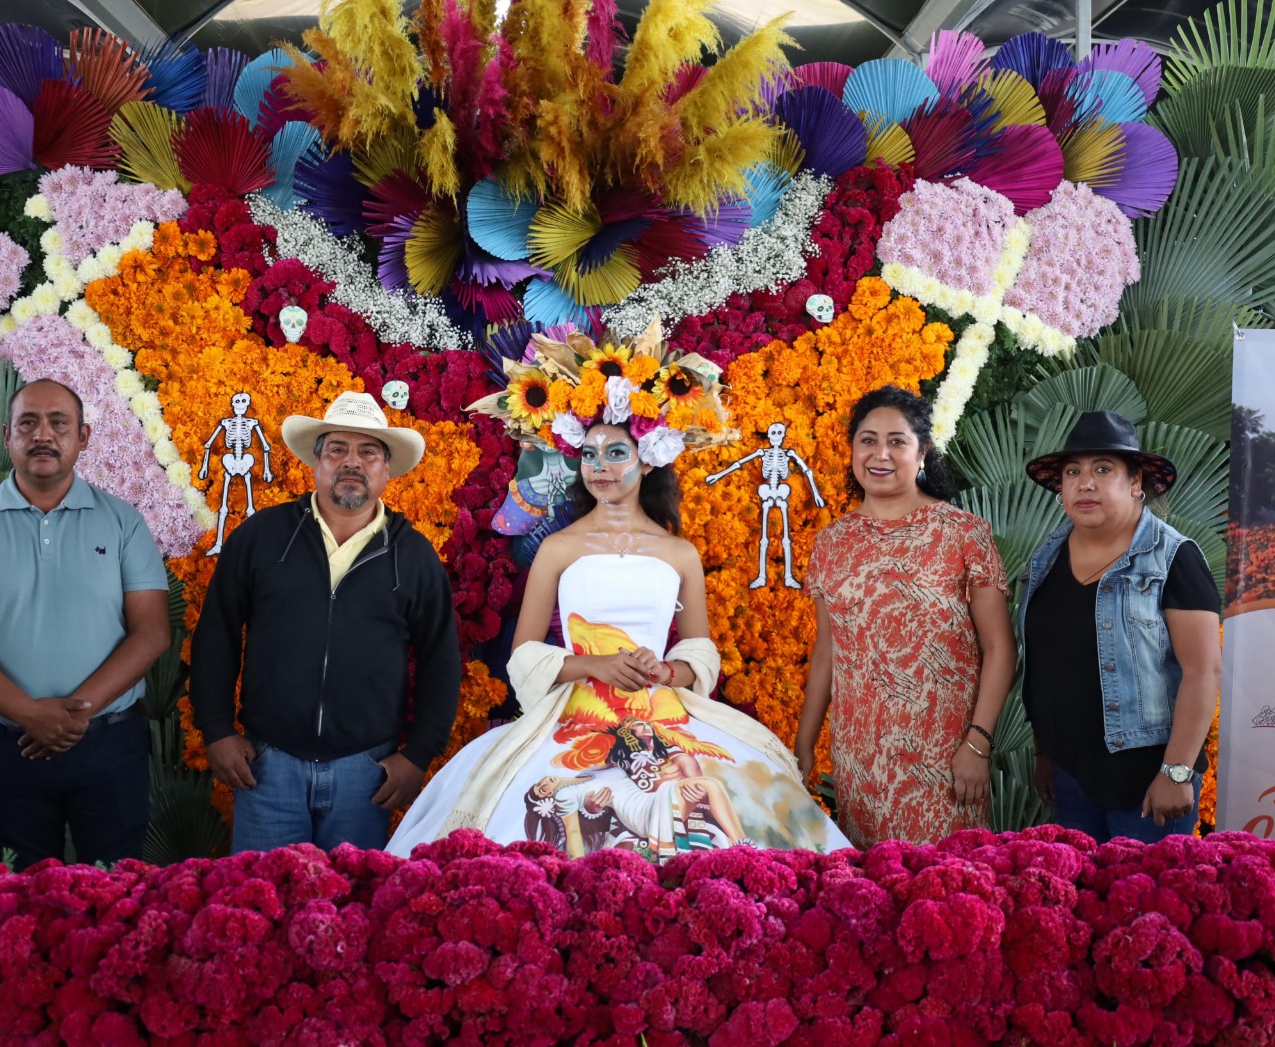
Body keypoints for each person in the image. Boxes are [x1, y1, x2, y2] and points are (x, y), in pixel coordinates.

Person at [390, 325, 849, 859]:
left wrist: (666, 673)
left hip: (666, 715)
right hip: (579, 712)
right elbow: (525, 654)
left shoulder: (679, 553)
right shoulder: (560, 548)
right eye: (589, 455)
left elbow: (697, 652)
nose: (599, 467)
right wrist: (594, 668)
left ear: (648, 458)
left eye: (615, 453)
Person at [189, 390, 461, 852]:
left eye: (368, 451)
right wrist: (216, 729)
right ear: (315, 463)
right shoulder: (262, 537)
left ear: (386, 470)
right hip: (268, 765)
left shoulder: (413, 556)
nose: (351, 462)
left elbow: (440, 659)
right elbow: (217, 633)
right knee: (260, 906)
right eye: (337, 449)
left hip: (366, 772)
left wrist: (417, 755)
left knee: (350, 916)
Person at [0, 378, 171, 870]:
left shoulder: (124, 522)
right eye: (28, 423)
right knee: (18, 900)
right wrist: (28, 714)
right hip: (7, 744)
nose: (43, 434)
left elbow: (152, 632)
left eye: (59, 423)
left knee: (116, 893)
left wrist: (74, 715)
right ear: (6, 436)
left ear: (84, 437)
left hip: (108, 744)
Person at [795, 385, 1016, 847]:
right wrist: (803, 749)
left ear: (923, 452)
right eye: (868, 440)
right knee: (871, 900)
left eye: (897, 441)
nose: (881, 453)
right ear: (853, 449)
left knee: (948, 897)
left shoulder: (963, 534)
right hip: (860, 762)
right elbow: (826, 651)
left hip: (947, 758)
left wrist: (977, 744)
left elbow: (1000, 648)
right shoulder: (832, 543)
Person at [1019, 410, 1220, 843]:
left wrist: (1177, 771)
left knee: (1144, 905)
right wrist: (1045, 753)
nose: (1085, 483)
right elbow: (1046, 663)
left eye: (1103, 469)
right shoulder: (1046, 557)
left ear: (1136, 483)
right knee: (1082, 903)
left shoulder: (1173, 559)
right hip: (1071, 777)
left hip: (1147, 786)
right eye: (1073, 471)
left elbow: (1203, 671)